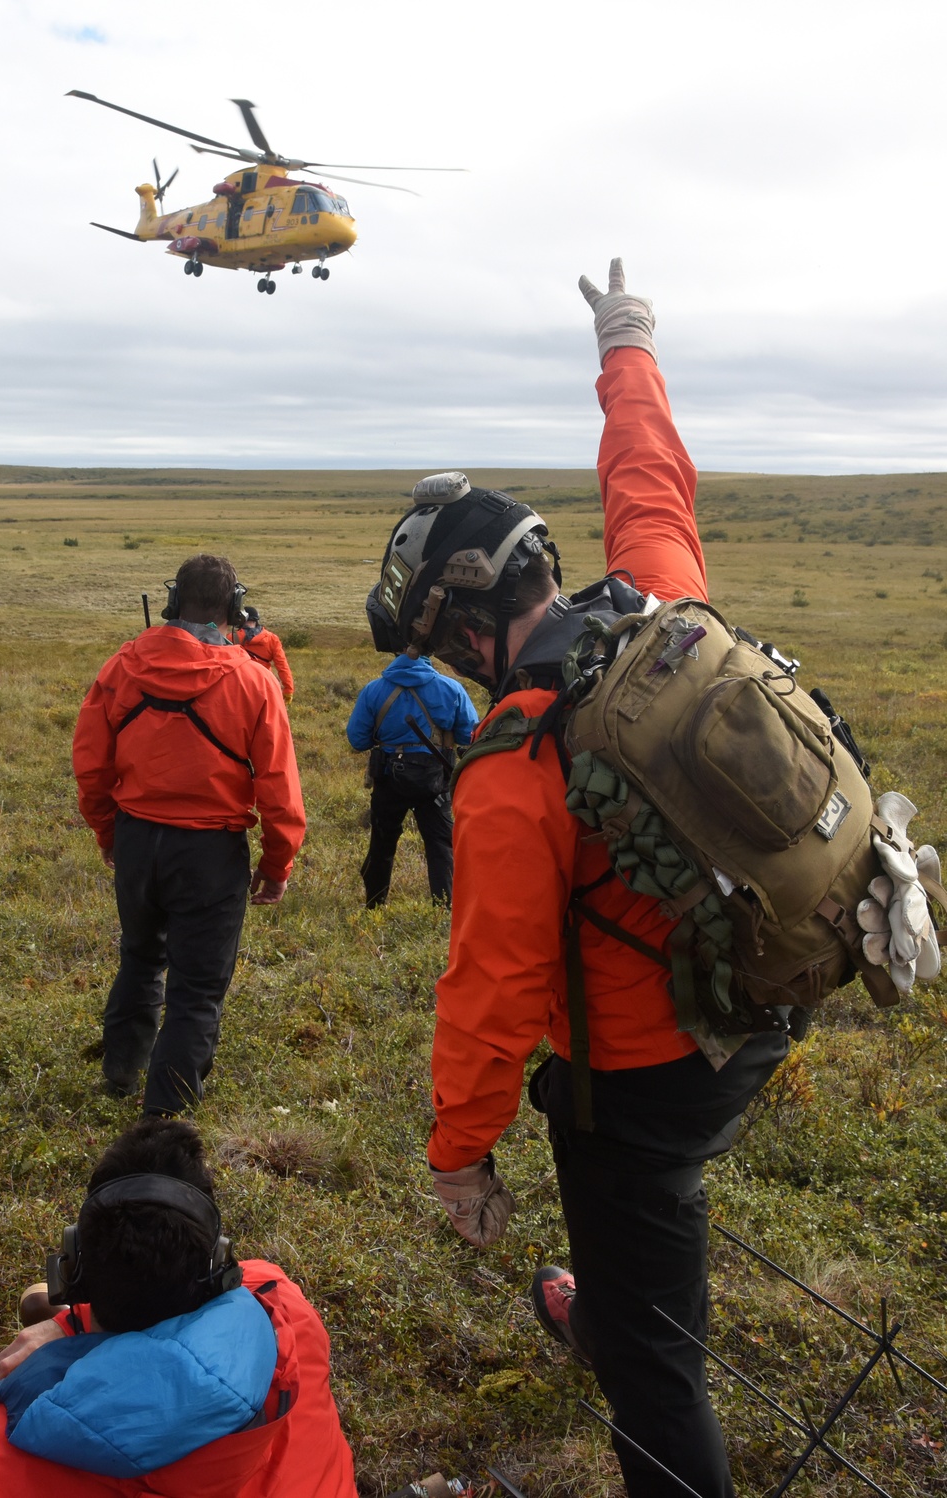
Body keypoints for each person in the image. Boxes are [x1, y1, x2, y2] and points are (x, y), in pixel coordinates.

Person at [364, 261, 789, 1498]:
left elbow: (492, 987)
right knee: (646, 1233)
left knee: (658, 1362)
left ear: (458, 624)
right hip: (761, 1005)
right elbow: (649, 473)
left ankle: (625, 1327)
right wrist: (627, 339)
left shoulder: (511, 764)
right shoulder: (665, 598)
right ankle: (607, 1297)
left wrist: (459, 1156)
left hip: (644, 1082)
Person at [0, 1116, 357, 1497]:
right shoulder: (283, 1304)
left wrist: (67, 1331)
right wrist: (64, 1327)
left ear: (73, 1270)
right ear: (219, 1268)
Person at [72, 554, 306, 1116]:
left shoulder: (121, 666)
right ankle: (165, 1119)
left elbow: (90, 765)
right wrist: (276, 868)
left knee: (139, 957)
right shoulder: (255, 680)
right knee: (197, 989)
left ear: (173, 603)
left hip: (136, 839)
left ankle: (121, 1074)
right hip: (209, 853)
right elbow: (279, 790)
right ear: (234, 608)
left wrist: (110, 834)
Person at [346, 653, 479, 907]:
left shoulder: (373, 690)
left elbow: (357, 740)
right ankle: (444, 907)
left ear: (394, 655)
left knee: (382, 842)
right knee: (440, 844)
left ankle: (374, 903)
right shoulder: (451, 688)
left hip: (388, 777)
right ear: (429, 654)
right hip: (435, 780)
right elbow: (469, 734)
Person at [233, 606, 296, 702]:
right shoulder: (272, 639)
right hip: (265, 685)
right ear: (256, 620)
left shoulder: (231, 638)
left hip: (239, 686)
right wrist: (288, 689)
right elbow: (282, 666)